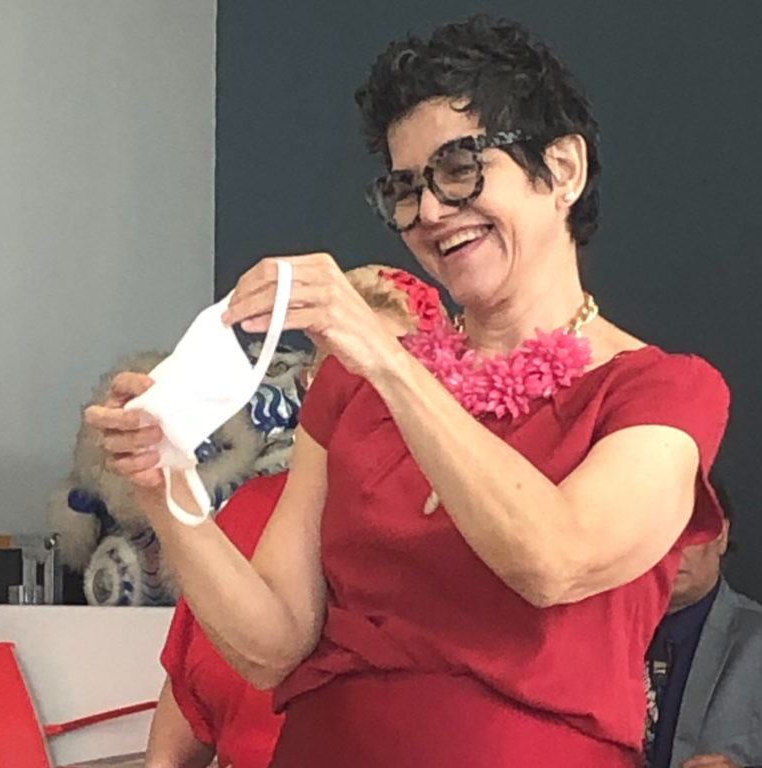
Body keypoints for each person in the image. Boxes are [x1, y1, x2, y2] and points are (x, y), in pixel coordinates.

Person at [86, 15, 730, 768]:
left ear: (563, 169)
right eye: (405, 187)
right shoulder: (351, 388)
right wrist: (164, 485)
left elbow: (554, 560)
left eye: (459, 169)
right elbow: (271, 647)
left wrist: (389, 364)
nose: (428, 212)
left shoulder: (660, 391)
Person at [145, 266, 440, 768]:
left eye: (392, 370)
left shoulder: (450, 530)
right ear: (310, 384)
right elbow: (178, 736)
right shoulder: (249, 513)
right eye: (343, 372)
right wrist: (158, 480)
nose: (364, 392)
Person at [645, 487, 762, 768]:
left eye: (689, 530)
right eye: (659, 531)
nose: (672, 548)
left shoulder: (756, 642)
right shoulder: (594, 639)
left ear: (721, 535)